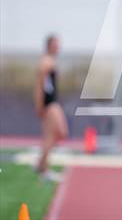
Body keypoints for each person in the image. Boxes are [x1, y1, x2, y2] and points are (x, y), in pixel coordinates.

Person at [34, 35, 68, 181]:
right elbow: (39, 86)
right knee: (58, 132)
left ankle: (41, 165)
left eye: (58, 44)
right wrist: (39, 104)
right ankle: (43, 168)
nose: (57, 47)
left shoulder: (51, 61)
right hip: (49, 103)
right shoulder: (46, 62)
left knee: (54, 135)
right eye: (54, 44)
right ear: (48, 46)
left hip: (52, 101)